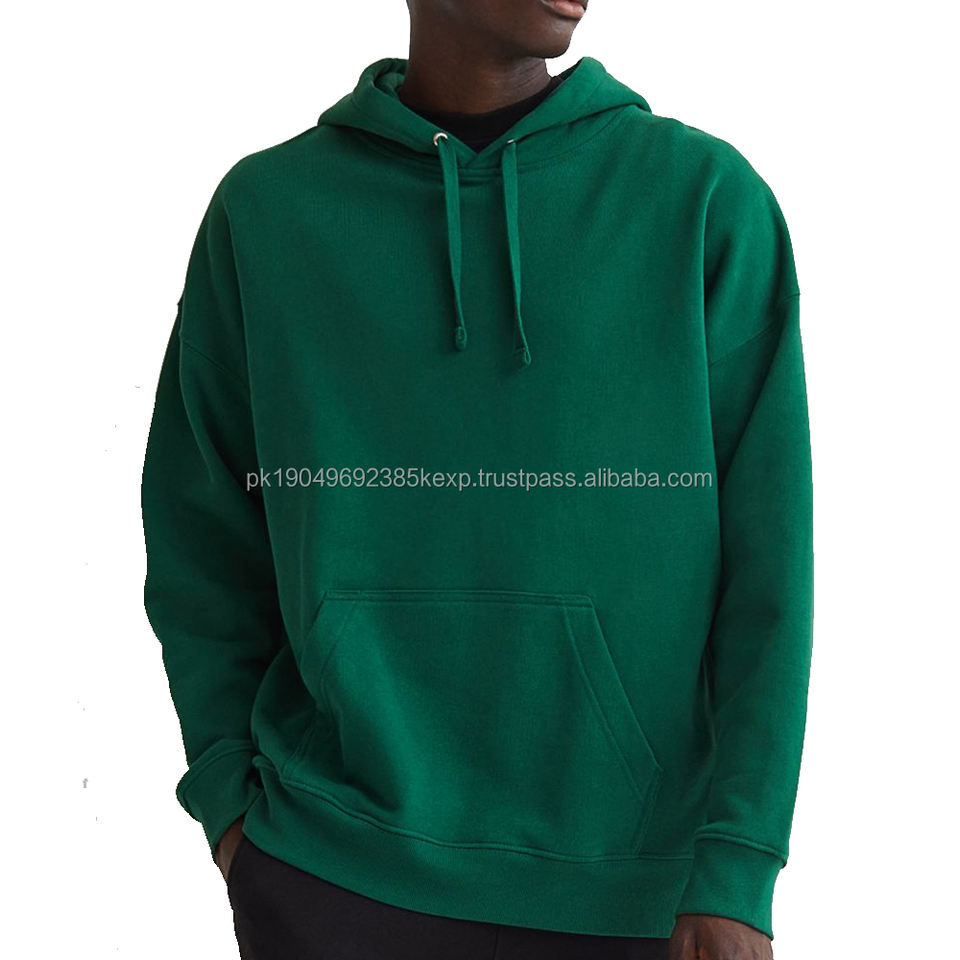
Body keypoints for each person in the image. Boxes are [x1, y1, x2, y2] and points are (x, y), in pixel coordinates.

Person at [141, 1, 813, 958]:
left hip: (634, 894)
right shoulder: (269, 214)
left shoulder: (701, 201)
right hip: (330, 868)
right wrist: (228, 804)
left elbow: (770, 567)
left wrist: (740, 863)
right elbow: (201, 531)